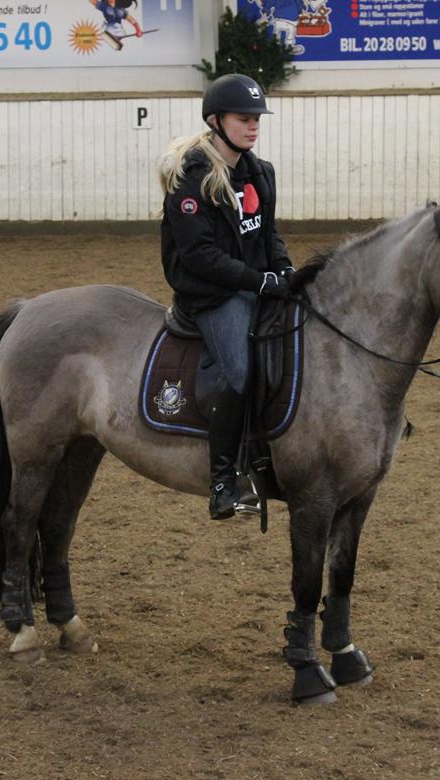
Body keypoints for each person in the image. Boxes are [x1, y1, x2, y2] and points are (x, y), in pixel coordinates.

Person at [158, 73, 294, 521]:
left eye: (257, 118)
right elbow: (200, 257)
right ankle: (222, 483)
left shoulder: (259, 171)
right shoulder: (191, 180)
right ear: (216, 121)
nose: (253, 126)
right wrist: (258, 282)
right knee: (238, 372)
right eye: (244, 119)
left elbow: (268, 233)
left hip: (251, 280)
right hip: (212, 295)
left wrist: (285, 270)